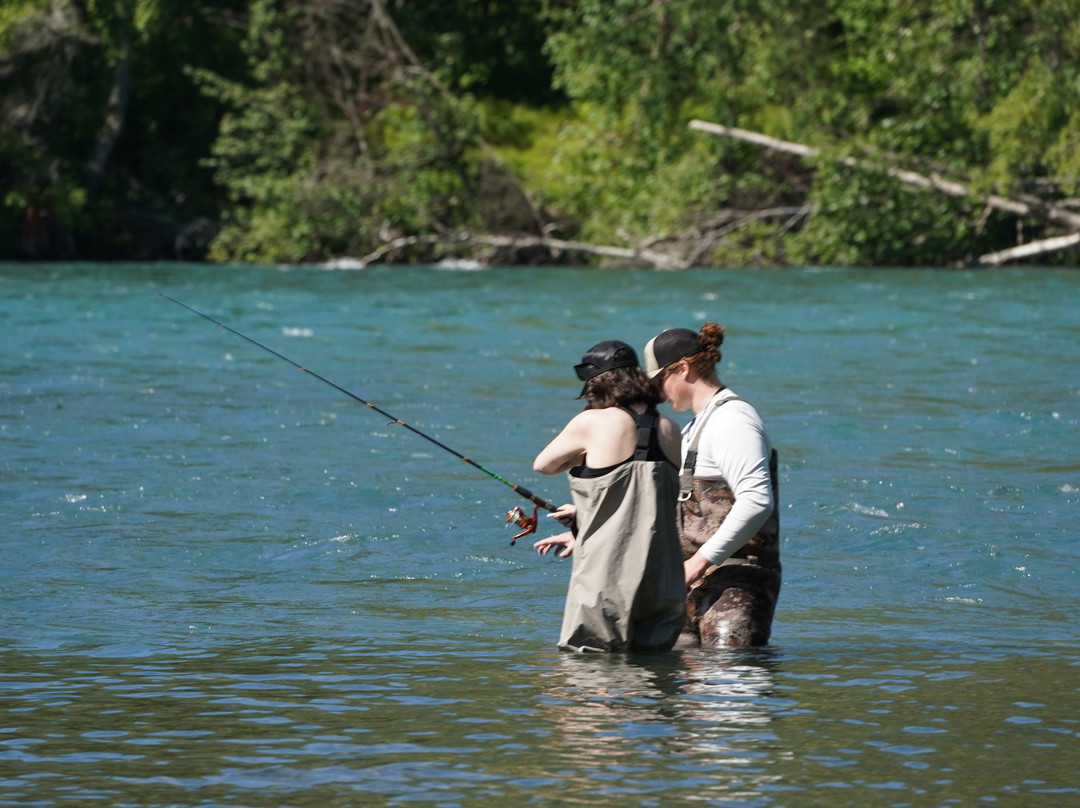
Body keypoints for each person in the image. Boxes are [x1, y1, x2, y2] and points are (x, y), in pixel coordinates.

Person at [532, 340, 686, 653]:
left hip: (607, 579)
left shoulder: (592, 422)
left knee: (591, 675)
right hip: (664, 583)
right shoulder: (671, 429)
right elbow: (645, 499)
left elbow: (543, 465)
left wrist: (586, 461)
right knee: (655, 681)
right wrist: (584, 511)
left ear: (595, 384)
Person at [643, 324, 781, 648]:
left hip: (738, 585)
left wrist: (698, 561)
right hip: (694, 585)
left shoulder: (734, 420)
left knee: (726, 689)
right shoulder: (696, 426)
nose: (658, 393)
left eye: (659, 380)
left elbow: (757, 501)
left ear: (683, 369)